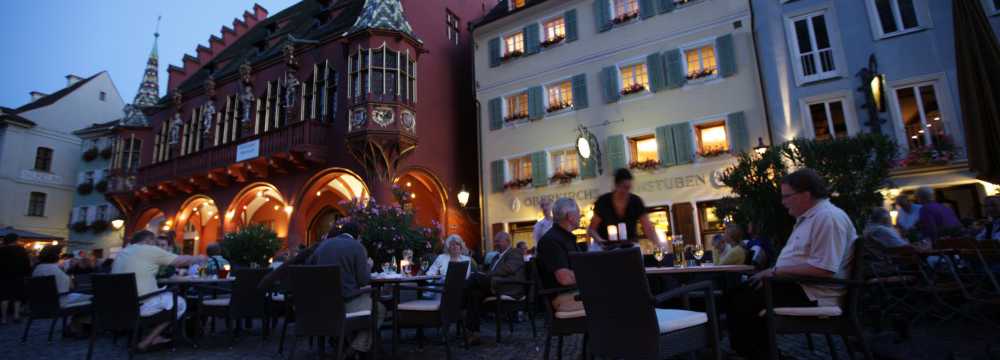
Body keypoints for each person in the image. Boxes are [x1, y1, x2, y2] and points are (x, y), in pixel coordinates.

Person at [726, 169, 857, 360]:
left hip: (815, 293)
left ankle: (757, 354)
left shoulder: (827, 218)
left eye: (787, 196)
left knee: (740, 300)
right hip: (802, 287)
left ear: (806, 194)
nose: (783, 202)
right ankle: (761, 353)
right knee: (737, 295)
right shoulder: (812, 218)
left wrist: (775, 272)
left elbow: (824, 269)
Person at [112, 230, 207, 350]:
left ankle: (151, 336)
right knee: (180, 302)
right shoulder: (148, 249)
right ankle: (147, 341)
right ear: (148, 240)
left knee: (164, 298)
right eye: (155, 242)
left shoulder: (122, 253)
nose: (156, 246)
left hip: (118, 308)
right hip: (140, 305)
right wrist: (199, 257)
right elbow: (181, 261)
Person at [304, 222, 383, 358]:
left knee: (367, 305)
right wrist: (368, 266)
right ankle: (353, 350)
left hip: (319, 307)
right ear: (358, 236)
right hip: (345, 304)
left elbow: (309, 268)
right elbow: (363, 281)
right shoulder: (357, 247)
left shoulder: (323, 245)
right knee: (379, 309)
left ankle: (344, 343)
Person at [464, 231, 525, 344]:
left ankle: (458, 297)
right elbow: (490, 271)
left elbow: (509, 269)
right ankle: (474, 333)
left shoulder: (515, 252)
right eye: (495, 241)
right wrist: (486, 274)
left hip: (508, 286)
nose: (495, 243)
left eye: (498, 241)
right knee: (474, 294)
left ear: (507, 241)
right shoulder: (496, 256)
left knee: (474, 278)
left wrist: (487, 275)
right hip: (494, 285)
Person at [537, 197, 585, 315]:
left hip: (574, 293)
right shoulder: (551, 241)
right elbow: (565, 279)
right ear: (570, 216)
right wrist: (590, 275)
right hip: (562, 298)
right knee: (611, 298)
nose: (580, 216)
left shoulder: (565, 238)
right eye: (578, 212)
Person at [588, 169, 659, 249]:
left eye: (629, 188)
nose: (626, 191)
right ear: (616, 186)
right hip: (606, 249)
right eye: (624, 187)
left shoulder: (636, 202)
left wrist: (658, 246)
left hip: (630, 247)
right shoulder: (603, 202)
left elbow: (648, 228)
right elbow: (591, 229)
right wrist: (601, 241)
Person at [32, 245, 92, 335]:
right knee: (93, 299)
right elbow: (71, 286)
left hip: (41, 303)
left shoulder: (37, 269)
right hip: (59, 302)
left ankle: (75, 325)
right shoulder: (55, 269)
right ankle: (77, 327)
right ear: (56, 256)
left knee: (83, 298)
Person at [0, 233, 31, 324]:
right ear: (15, 240)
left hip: (4, 276)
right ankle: (16, 316)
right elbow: (26, 264)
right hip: (18, 276)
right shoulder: (21, 250)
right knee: (17, 297)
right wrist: (27, 273)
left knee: (4, 297)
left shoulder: (1, 250)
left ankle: (4, 318)